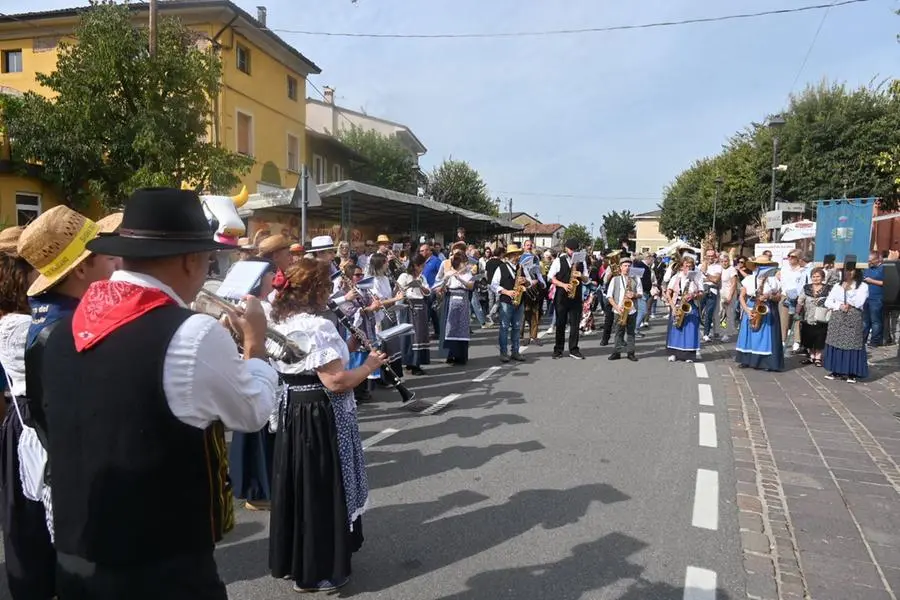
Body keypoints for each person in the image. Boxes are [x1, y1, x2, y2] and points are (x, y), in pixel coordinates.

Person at [35, 188, 278, 599]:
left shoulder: (59, 332)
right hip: (162, 570)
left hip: (76, 562)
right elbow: (252, 412)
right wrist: (255, 346)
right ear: (190, 260)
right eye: (207, 259)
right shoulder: (192, 332)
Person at [0, 208, 121, 600]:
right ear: (82, 270)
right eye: (104, 254)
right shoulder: (72, 327)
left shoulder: (50, 316)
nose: (114, 260)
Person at [268, 258, 386, 593]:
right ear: (315, 289)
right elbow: (334, 381)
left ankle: (296, 561)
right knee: (320, 489)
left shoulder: (284, 320)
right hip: (319, 413)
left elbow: (313, 363)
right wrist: (370, 365)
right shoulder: (316, 326)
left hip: (295, 409)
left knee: (299, 485)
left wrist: (350, 346)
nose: (329, 292)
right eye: (325, 286)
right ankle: (319, 570)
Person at [228, 257, 278, 511]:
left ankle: (261, 486)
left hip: (262, 365)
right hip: (254, 365)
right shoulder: (254, 305)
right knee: (258, 428)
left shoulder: (266, 303)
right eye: (271, 274)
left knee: (264, 431)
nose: (275, 277)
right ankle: (256, 491)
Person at [735, 256, 785, 372]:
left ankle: (766, 362)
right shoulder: (749, 279)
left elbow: (778, 297)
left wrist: (769, 296)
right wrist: (747, 310)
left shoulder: (773, 280)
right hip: (751, 306)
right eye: (759, 265)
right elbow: (742, 296)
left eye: (765, 266)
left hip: (767, 307)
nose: (762, 268)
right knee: (749, 334)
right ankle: (746, 359)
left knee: (766, 336)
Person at [823, 261, 869, 383]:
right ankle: (836, 370)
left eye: (851, 270)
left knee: (852, 343)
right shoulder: (837, 286)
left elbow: (859, 303)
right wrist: (838, 305)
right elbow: (828, 302)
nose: (848, 273)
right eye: (846, 270)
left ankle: (852, 372)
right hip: (838, 317)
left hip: (853, 317)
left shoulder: (862, 286)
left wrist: (849, 291)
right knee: (836, 342)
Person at [548, 239, 588, 360]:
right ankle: (558, 349)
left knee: (575, 324)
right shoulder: (558, 261)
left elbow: (587, 279)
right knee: (560, 323)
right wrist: (563, 285)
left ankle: (574, 350)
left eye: (575, 249)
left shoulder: (582, 262)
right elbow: (550, 278)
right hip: (561, 296)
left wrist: (581, 276)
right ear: (566, 249)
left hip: (576, 296)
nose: (573, 251)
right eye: (571, 249)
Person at [435, 246, 475, 365]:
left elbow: (470, 286)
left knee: (461, 327)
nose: (464, 265)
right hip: (451, 298)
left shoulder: (468, 273)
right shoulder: (449, 271)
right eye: (463, 263)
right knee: (450, 327)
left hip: (463, 298)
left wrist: (460, 279)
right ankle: (450, 355)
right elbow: (439, 286)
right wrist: (445, 280)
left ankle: (461, 356)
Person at [490, 243, 529, 363]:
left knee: (517, 328)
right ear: (510, 256)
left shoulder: (522, 267)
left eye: (518, 254)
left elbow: (531, 283)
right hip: (506, 302)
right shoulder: (501, 268)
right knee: (504, 328)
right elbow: (493, 285)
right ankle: (503, 353)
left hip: (519, 301)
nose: (517, 256)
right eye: (515, 254)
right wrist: (507, 292)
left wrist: (526, 281)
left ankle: (515, 352)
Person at [396, 255, 432, 375]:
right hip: (408, 306)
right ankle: (410, 363)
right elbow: (398, 290)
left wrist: (420, 286)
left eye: (423, 266)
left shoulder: (422, 277)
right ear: (414, 265)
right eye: (420, 265)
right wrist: (409, 285)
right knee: (410, 336)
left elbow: (427, 291)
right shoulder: (404, 276)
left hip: (420, 306)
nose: (422, 268)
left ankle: (417, 363)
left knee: (420, 335)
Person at [665, 255, 702, 362]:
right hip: (677, 304)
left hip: (691, 305)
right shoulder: (676, 277)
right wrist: (673, 307)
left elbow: (701, 292)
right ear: (682, 266)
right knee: (676, 328)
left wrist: (693, 295)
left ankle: (689, 355)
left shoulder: (696, 277)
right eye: (686, 266)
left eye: (690, 266)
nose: (688, 269)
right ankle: (674, 353)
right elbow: (668, 293)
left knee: (690, 329)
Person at [607, 256, 642, 361]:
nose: (627, 268)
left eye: (629, 266)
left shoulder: (636, 278)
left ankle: (631, 353)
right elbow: (609, 296)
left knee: (631, 332)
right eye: (625, 266)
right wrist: (617, 307)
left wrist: (634, 295)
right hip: (619, 309)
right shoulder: (615, 279)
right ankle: (616, 352)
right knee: (618, 332)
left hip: (632, 310)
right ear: (620, 267)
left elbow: (641, 294)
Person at [797, 267, 832, 367]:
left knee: (820, 337)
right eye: (814, 276)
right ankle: (811, 356)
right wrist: (797, 312)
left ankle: (818, 357)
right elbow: (800, 300)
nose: (816, 278)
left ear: (823, 277)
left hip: (822, 317)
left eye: (818, 276)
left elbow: (832, 301)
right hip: (808, 316)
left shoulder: (828, 288)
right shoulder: (806, 287)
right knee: (808, 337)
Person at [863, 250, 885, 347]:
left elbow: (887, 283)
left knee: (875, 321)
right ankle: (862, 340)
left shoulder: (883, 268)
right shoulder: (867, 268)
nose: (869, 262)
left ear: (877, 259)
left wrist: (871, 281)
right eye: (868, 260)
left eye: (871, 260)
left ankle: (874, 342)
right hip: (866, 298)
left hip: (877, 298)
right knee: (865, 321)